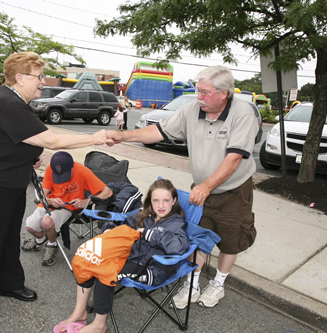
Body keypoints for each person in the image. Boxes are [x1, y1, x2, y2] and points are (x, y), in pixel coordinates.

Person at [0, 51, 111, 323]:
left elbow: (18, 139)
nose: (42, 82)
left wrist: (27, 155)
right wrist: (95, 137)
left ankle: (8, 283)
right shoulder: (7, 103)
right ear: (19, 78)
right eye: (38, 77)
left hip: (7, 181)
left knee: (6, 236)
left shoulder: (16, 103)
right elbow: (52, 141)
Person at [107, 65, 258, 310]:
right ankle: (192, 281)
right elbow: (157, 131)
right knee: (194, 236)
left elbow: (234, 159)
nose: (198, 96)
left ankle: (219, 283)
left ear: (224, 93)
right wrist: (122, 136)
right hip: (202, 188)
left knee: (232, 240)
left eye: (205, 92)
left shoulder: (242, 113)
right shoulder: (191, 110)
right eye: (198, 91)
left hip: (233, 191)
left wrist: (207, 186)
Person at [54, 178, 189, 333]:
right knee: (89, 260)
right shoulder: (143, 216)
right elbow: (122, 225)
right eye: (156, 200)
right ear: (150, 201)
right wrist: (109, 229)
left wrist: (151, 235)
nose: (160, 205)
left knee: (105, 272)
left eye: (166, 200)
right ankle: (80, 312)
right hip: (129, 259)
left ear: (174, 201)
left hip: (154, 268)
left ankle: (99, 326)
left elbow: (180, 246)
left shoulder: (176, 223)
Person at [21, 151, 113, 266]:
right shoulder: (51, 168)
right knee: (30, 227)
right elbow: (42, 194)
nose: (61, 178)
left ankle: (52, 244)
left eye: (64, 175)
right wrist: (50, 201)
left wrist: (86, 202)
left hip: (69, 207)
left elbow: (108, 192)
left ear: (72, 166)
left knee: (46, 222)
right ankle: (41, 239)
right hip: (50, 203)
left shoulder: (82, 171)